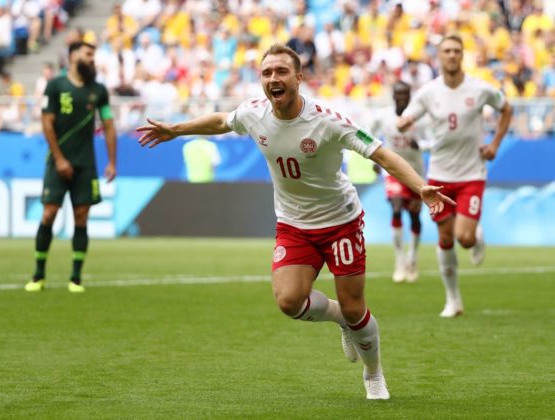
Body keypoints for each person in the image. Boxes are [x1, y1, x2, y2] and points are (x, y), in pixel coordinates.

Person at [137, 44, 454, 400]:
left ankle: (373, 373)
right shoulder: (254, 113)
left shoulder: (327, 120)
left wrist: (420, 187)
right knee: (289, 301)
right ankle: (339, 320)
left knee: (355, 307)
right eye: (267, 72)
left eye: (281, 71)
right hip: (294, 225)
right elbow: (222, 121)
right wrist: (176, 129)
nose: (273, 78)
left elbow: (381, 153)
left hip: (341, 221)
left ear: (299, 78)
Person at [397, 35, 512, 317]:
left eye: (456, 50)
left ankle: (475, 235)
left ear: (462, 55)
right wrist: (403, 123)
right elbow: (407, 117)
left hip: (472, 172)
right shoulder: (428, 92)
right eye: (446, 50)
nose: (451, 55)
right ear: (439, 56)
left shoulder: (480, 89)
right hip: (439, 175)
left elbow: (506, 108)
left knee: (464, 238)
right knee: (445, 236)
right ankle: (453, 300)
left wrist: (495, 144)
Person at [25, 41, 117, 293]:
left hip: (85, 163)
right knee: (49, 214)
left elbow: (108, 125)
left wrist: (112, 162)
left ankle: (76, 278)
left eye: (94, 55)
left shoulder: (99, 90)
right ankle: (38, 275)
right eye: (88, 54)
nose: (92, 59)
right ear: (73, 56)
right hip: (57, 161)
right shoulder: (55, 86)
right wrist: (59, 159)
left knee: (81, 217)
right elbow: (47, 123)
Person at [371, 81, 425, 283]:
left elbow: (434, 140)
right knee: (396, 208)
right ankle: (400, 261)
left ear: (410, 96)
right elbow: (369, 133)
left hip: (416, 173)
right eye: (398, 94)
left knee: (414, 216)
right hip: (393, 170)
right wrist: (375, 158)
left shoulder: (419, 118)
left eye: (405, 94)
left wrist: (421, 145)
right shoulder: (383, 116)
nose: (402, 98)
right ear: (393, 96)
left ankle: (413, 258)